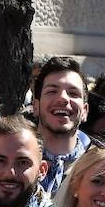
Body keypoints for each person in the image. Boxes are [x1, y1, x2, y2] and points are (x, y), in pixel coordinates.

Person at [32, 56, 90, 194]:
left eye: (73, 93)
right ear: (35, 106)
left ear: (85, 111)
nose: (63, 98)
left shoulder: (99, 167)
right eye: (52, 91)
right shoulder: (10, 157)